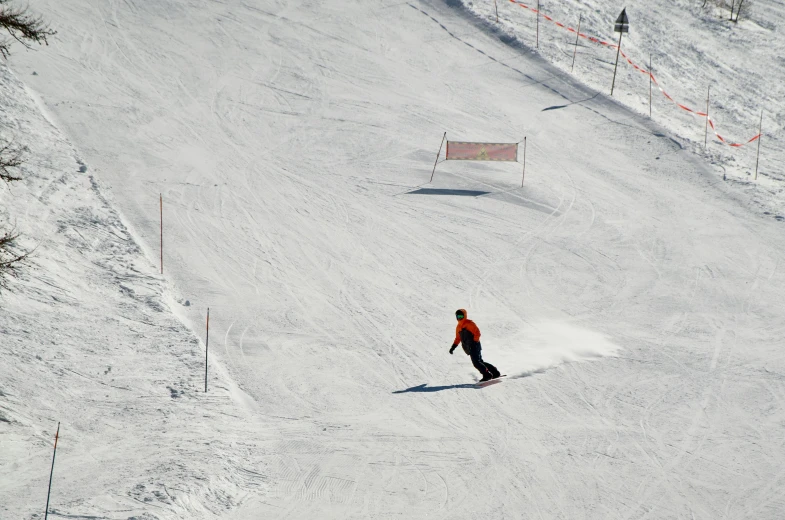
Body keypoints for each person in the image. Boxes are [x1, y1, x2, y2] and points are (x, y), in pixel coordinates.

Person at [449, 308, 500, 382]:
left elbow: (477, 333)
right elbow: (458, 338)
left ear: (464, 316)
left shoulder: (469, 323)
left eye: (461, 316)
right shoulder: (458, 327)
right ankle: (495, 372)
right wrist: (453, 347)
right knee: (480, 362)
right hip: (469, 347)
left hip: (474, 345)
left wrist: (474, 342)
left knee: (476, 362)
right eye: (458, 316)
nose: (459, 318)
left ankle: (487, 375)